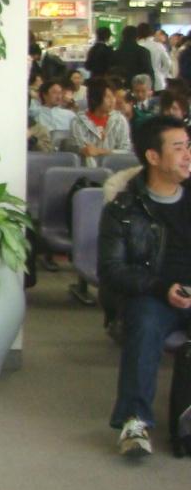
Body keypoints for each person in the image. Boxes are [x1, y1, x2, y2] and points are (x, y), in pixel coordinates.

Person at [98, 115, 191, 457]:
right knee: (146, 322)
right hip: (153, 293)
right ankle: (134, 420)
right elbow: (112, 269)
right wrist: (162, 287)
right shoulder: (123, 208)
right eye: (178, 148)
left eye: (189, 146)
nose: (188, 155)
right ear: (153, 157)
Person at [69, 76, 131, 167]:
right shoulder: (78, 122)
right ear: (95, 98)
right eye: (108, 97)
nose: (112, 100)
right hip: (86, 169)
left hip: (116, 168)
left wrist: (100, 151)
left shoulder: (120, 120)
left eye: (113, 96)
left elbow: (125, 150)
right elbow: (82, 149)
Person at [137, 22, 170, 91]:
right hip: (158, 82)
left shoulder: (138, 46)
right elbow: (168, 63)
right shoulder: (159, 46)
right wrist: (162, 74)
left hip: (141, 82)